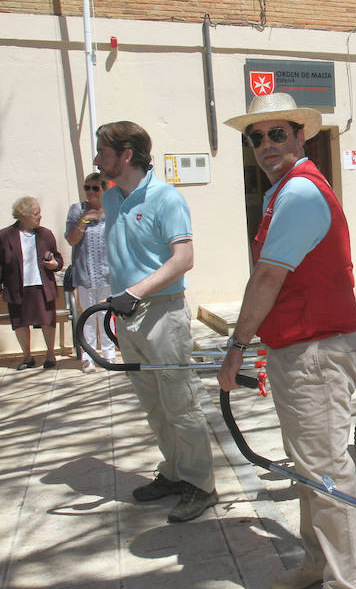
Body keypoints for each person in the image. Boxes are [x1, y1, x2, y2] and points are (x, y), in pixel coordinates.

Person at [218, 93, 356, 589]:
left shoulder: (298, 192)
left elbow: (266, 279)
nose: (265, 144)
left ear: (300, 136)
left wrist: (236, 346)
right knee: (310, 468)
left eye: (276, 133)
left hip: (315, 350)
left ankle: (346, 581)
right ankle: (316, 566)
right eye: (255, 137)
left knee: (324, 472)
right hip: (301, 346)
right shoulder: (283, 192)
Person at [94, 121, 216, 524]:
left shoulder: (166, 198)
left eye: (103, 152)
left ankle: (201, 485)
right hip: (127, 314)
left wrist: (137, 291)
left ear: (126, 155)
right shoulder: (112, 199)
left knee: (180, 403)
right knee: (153, 405)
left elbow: (183, 259)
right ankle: (175, 472)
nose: (97, 160)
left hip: (162, 311)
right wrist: (122, 298)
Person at [0, 197, 63, 370]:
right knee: (20, 322)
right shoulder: (5, 236)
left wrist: (54, 264)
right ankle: (27, 357)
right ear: (23, 215)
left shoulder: (45, 234)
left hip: (42, 286)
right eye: (36, 214)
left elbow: (58, 259)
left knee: (47, 321)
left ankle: (50, 355)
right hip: (17, 287)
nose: (39, 217)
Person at [65, 172, 116, 372]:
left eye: (95, 188)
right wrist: (84, 220)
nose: (90, 192)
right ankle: (87, 355)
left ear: (104, 189)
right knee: (87, 315)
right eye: (87, 187)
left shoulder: (113, 210)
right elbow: (71, 240)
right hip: (85, 274)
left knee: (105, 315)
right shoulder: (77, 210)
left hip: (107, 274)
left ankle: (109, 355)